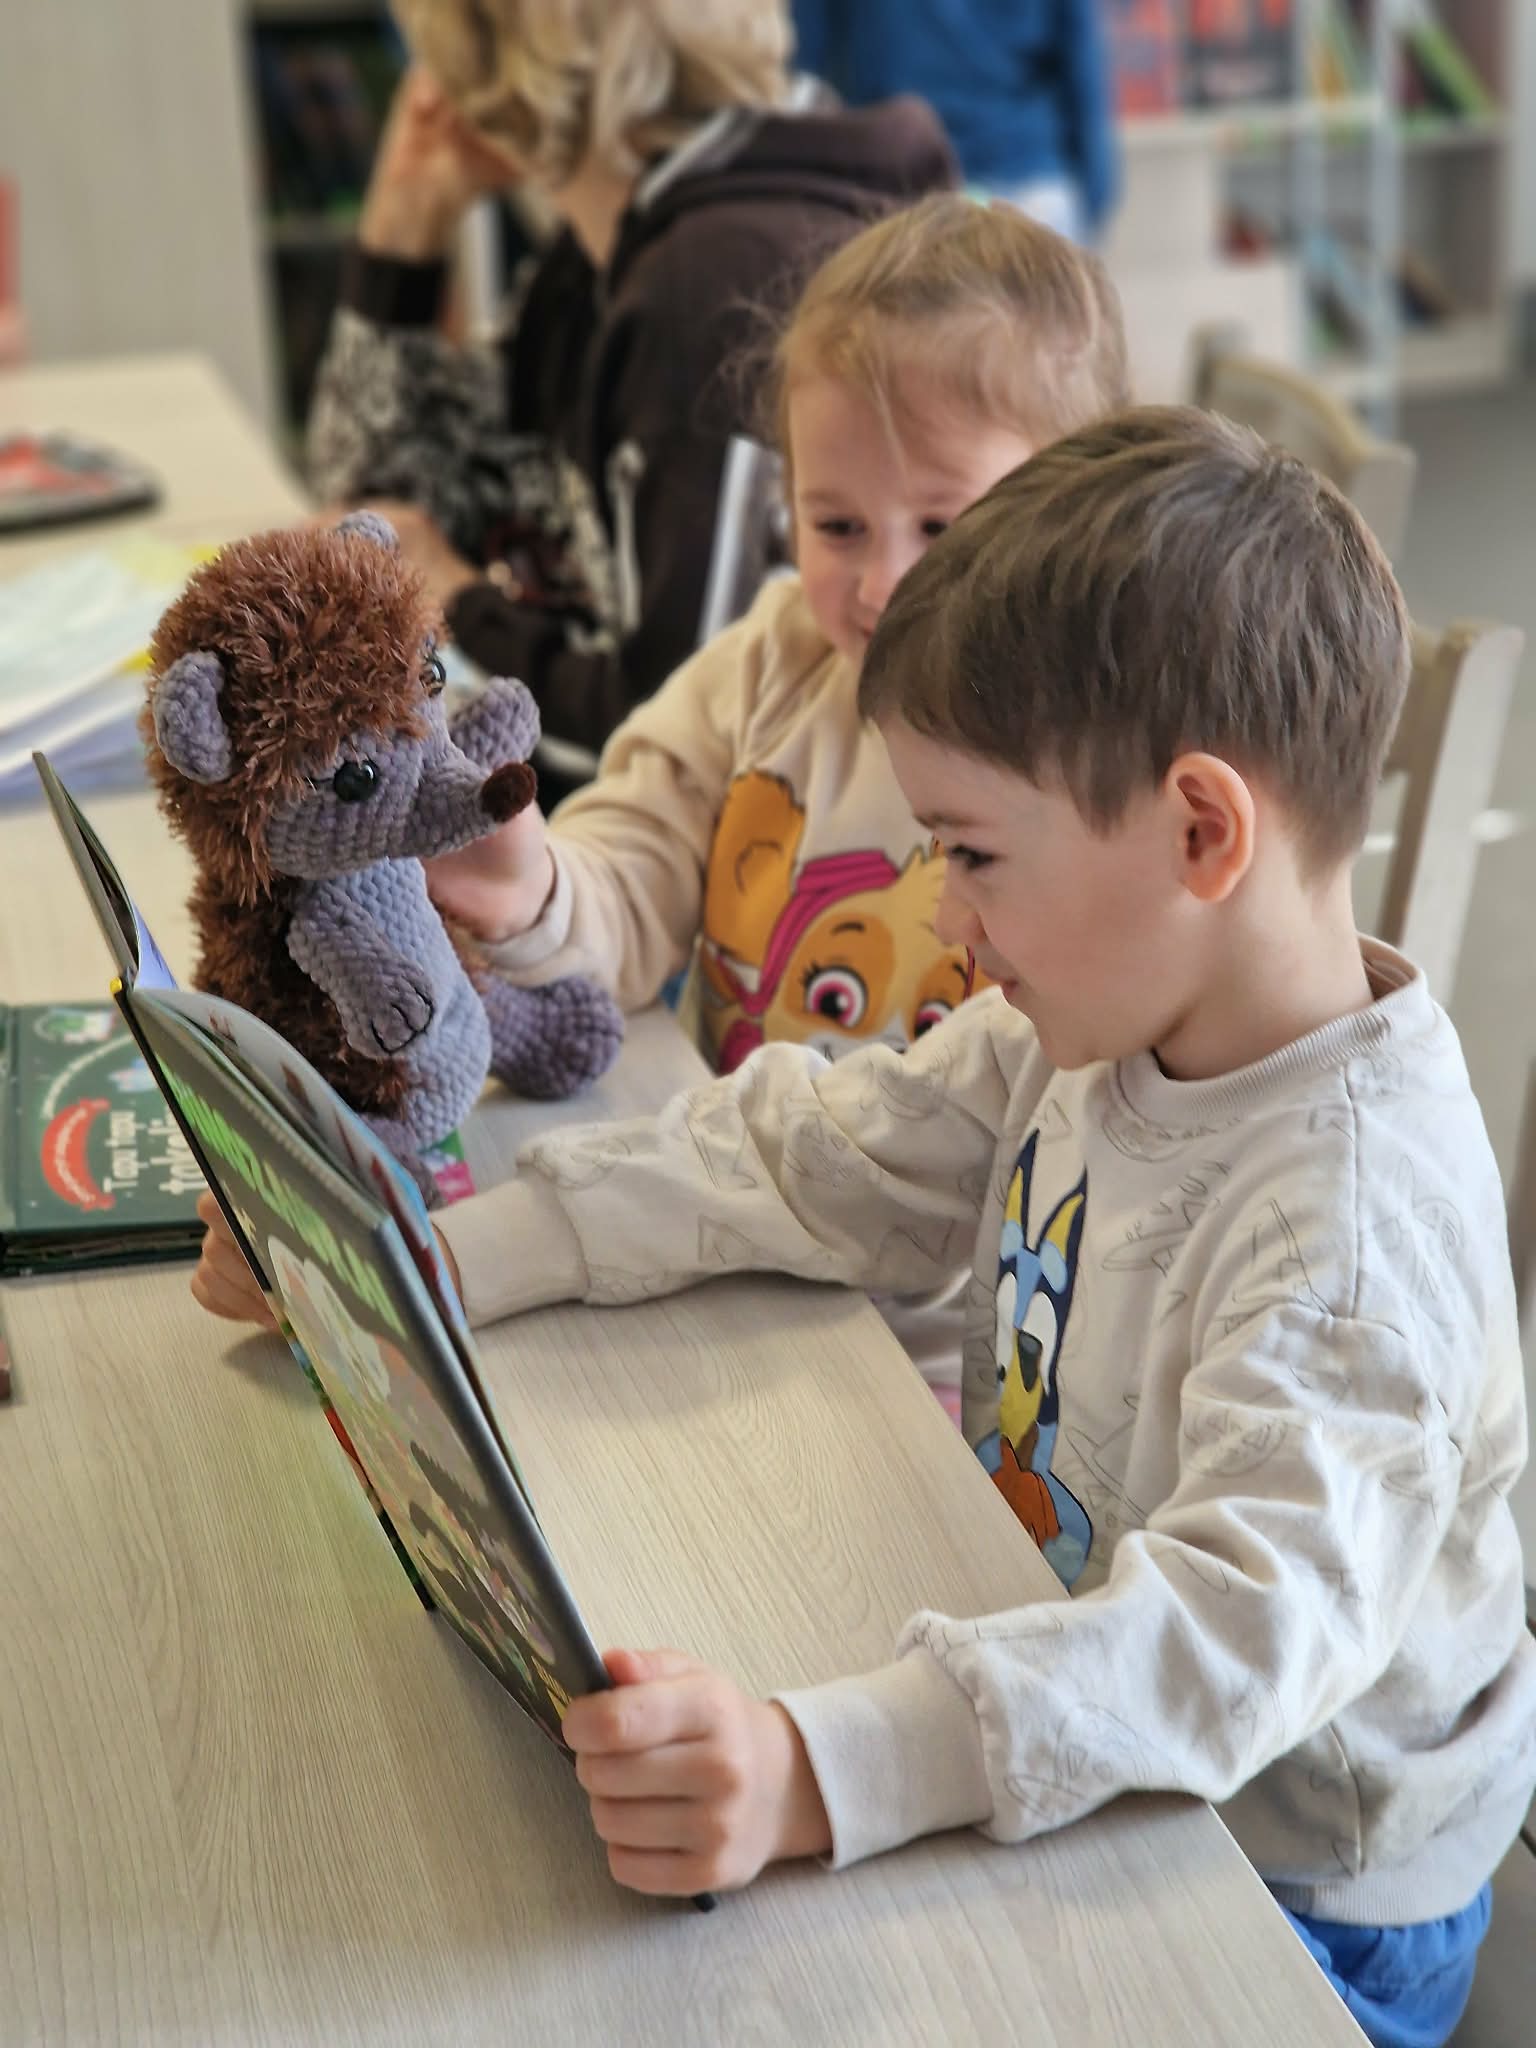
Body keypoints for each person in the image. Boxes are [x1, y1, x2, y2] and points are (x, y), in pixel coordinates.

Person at [190, 411, 1536, 2048]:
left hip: (1294, 1898)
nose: (948, 917)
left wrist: (811, 1770)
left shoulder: (1353, 1233)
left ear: (1201, 832)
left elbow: (1222, 1644)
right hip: (1071, 1731)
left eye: (974, 853)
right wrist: (438, 1262)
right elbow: (826, 1150)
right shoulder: (1102, 1018)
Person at [422, 192, 1130, 1406]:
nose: (884, 583)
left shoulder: (1100, 769)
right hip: (717, 1241)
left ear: (1076, 509)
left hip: (949, 1359)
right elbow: (637, 865)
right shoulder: (774, 661)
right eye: (836, 524)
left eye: (944, 524)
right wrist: (534, 887)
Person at [306, 0, 955, 796]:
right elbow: (371, 520)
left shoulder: (707, 286)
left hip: (673, 847)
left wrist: (461, 605)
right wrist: (406, 227)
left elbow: (680, 741)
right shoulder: (617, 243)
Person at [792, 0, 1118, 241]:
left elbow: (805, 64)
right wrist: (1094, 194)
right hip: (1026, 177)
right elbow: (1082, 64)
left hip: (898, 187)